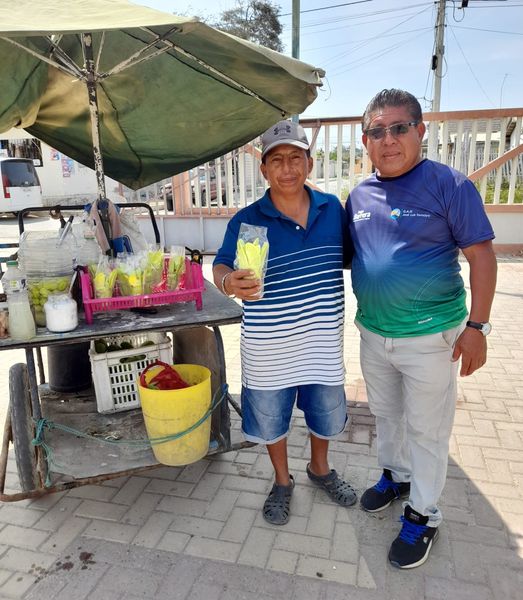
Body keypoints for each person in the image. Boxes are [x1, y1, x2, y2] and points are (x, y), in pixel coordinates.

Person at [346, 89, 497, 569]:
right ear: (365, 140)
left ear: (420, 131)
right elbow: (353, 256)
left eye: (399, 128)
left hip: (432, 340)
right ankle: (397, 476)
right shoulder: (359, 196)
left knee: (428, 431)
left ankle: (424, 513)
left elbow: (482, 257)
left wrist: (478, 327)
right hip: (373, 334)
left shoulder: (450, 185)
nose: (388, 140)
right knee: (387, 416)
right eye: (377, 131)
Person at [213, 120, 356, 525]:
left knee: (325, 413)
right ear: (264, 169)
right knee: (271, 418)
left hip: (321, 343)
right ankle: (281, 480)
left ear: (310, 163)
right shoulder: (248, 220)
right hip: (268, 346)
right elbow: (220, 265)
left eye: (296, 157)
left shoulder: (333, 210)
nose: (287, 168)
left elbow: (356, 256)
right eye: (277, 160)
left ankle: (320, 469)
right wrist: (228, 282)